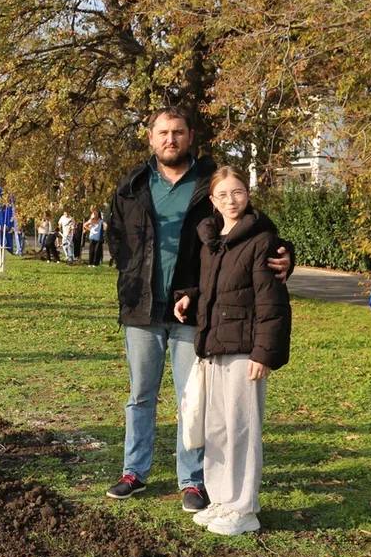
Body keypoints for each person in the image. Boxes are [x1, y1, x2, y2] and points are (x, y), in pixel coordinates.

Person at [105, 107, 292, 511]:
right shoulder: (133, 185)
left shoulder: (210, 183)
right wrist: (131, 273)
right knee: (140, 395)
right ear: (151, 138)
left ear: (190, 136)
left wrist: (285, 255)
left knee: (193, 397)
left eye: (177, 132)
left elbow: (257, 225)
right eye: (162, 133)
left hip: (195, 309)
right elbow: (116, 235)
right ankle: (133, 471)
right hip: (141, 309)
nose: (169, 139)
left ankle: (192, 479)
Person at [173, 166, 291, 536]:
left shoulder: (263, 241)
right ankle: (222, 499)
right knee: (217, 428)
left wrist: (263, 354)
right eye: (223, 195)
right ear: (213, 201)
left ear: (248, 194)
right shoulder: (212, 241)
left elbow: (272, 303)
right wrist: (190, 298)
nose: (231, 200)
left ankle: (244, 508)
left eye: (237, 192)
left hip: (244, 351)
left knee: (242, 428)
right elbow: (213, 290)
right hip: (213, 346)